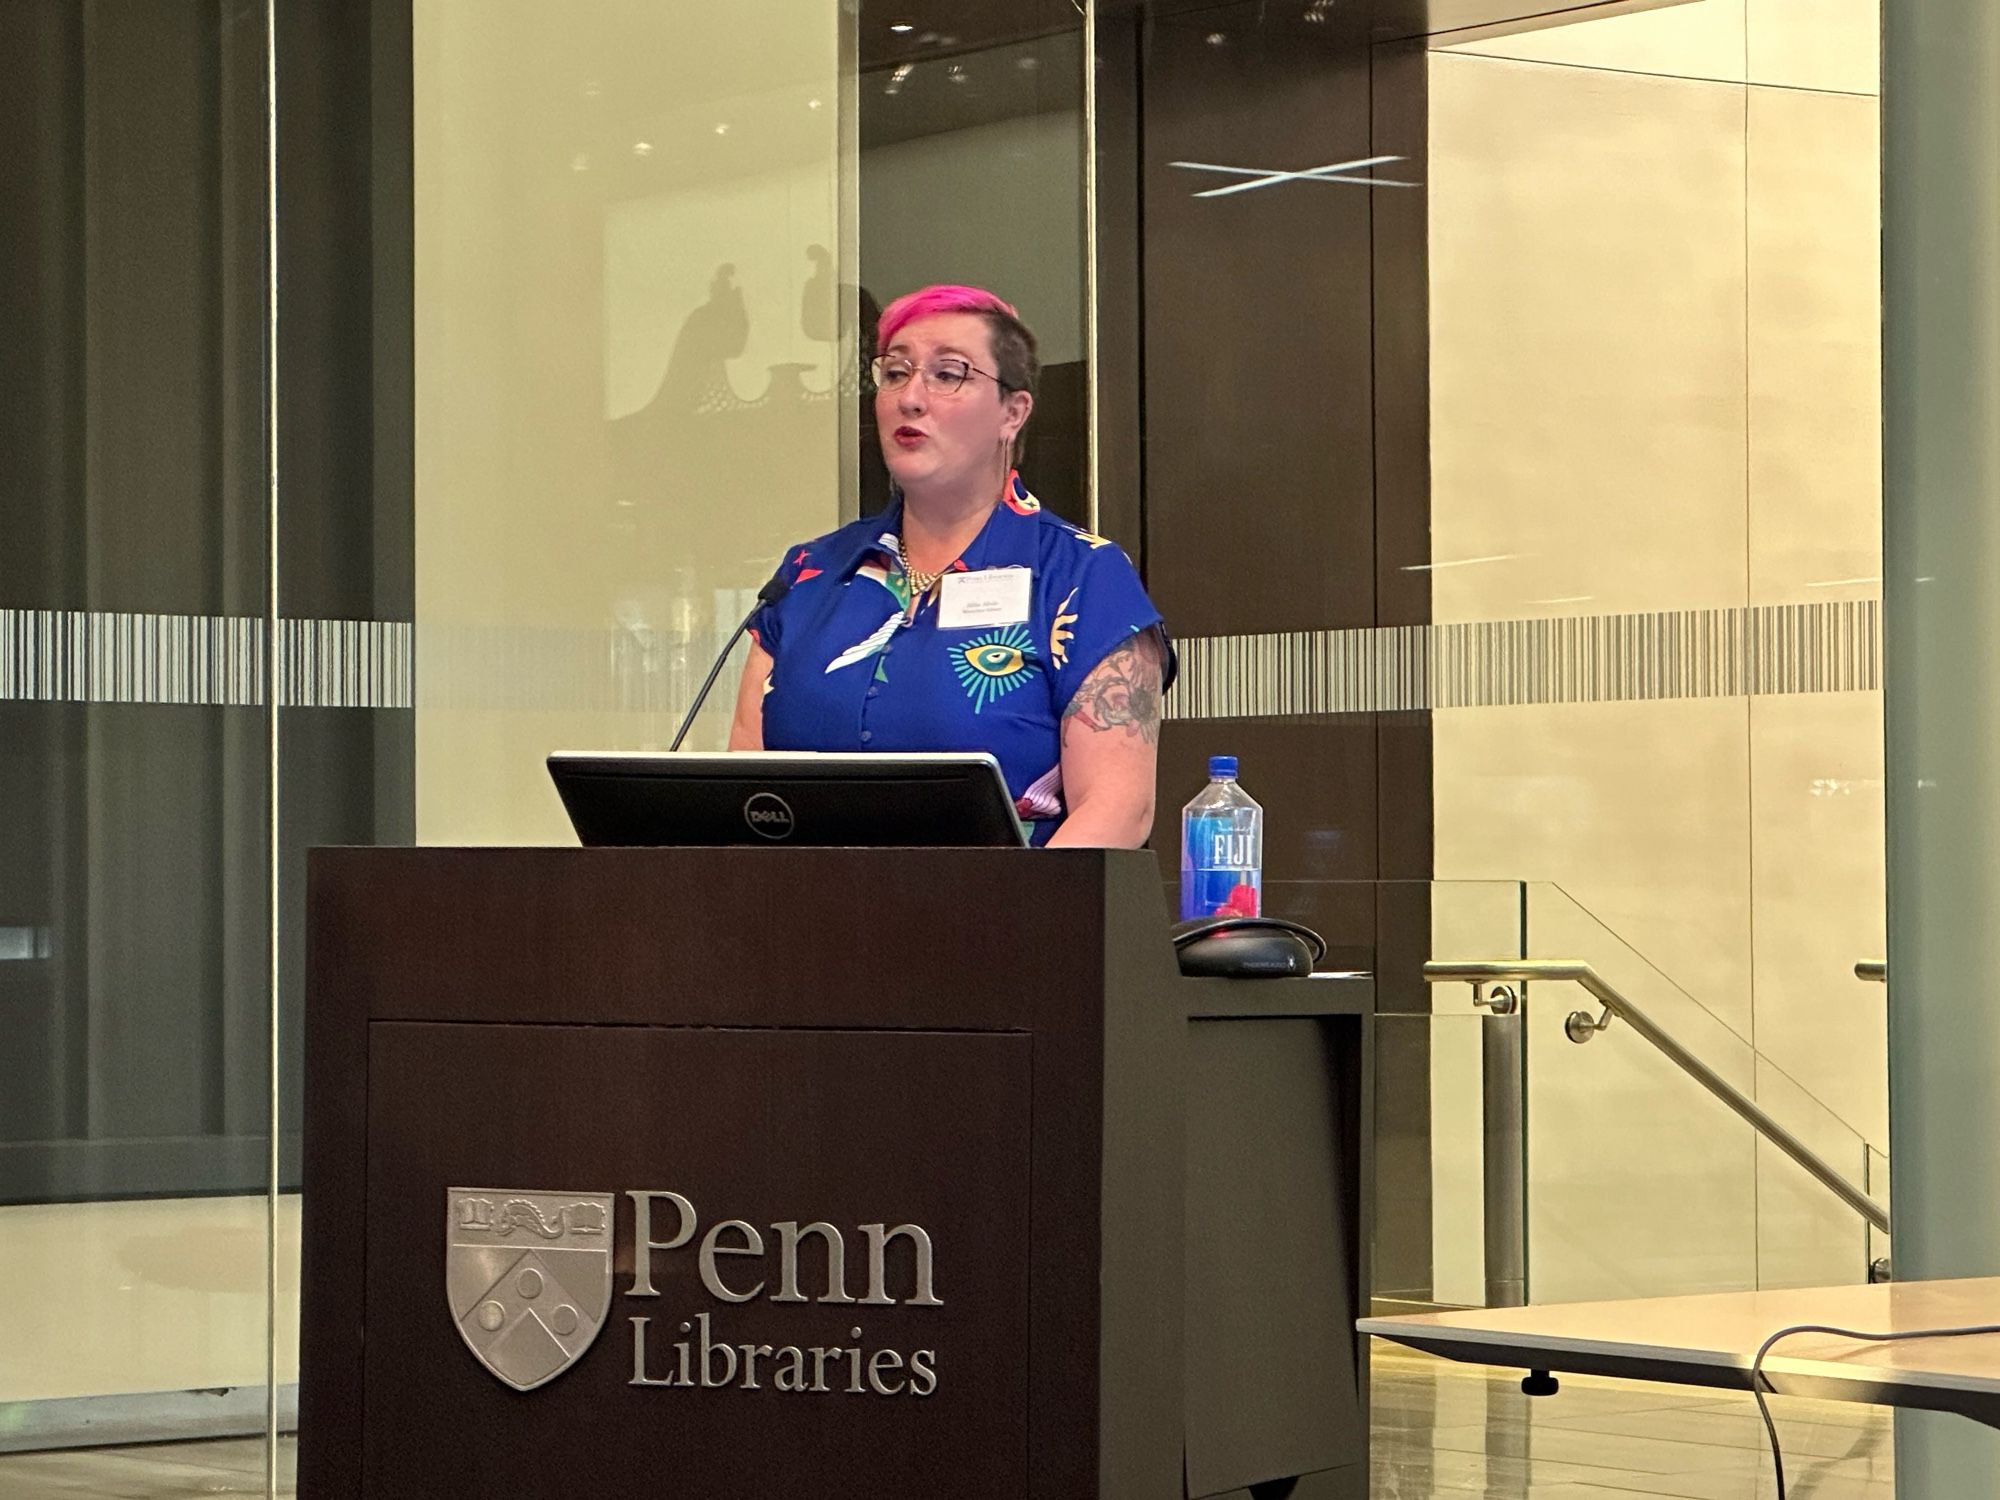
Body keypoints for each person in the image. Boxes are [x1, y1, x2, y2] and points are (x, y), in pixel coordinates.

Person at [728, 284, 1173, 847]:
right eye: (895, 373)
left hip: (997, 922)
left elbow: (1117, 809)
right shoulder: (807, 576)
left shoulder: (1081, 576)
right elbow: (743, 795)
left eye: (948, 374)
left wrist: (1006, 923)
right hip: (801, 921)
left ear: (1013, 412)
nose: (911, 398)